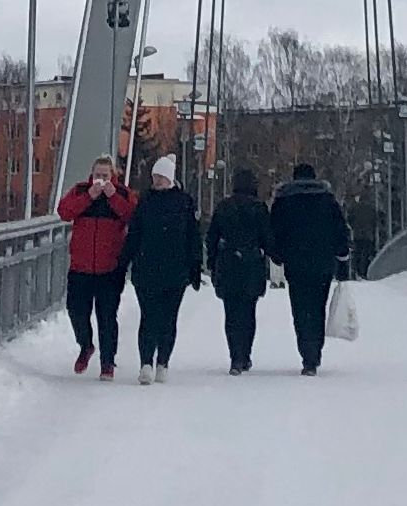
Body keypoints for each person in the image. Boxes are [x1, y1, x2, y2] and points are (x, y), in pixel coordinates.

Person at [267, 158, 351, 374]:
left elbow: (273, 231)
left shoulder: (284, 201)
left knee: (300, 308)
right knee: (317, 307)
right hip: (322, 263)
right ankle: (315, 353)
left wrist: (277, 256)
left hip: (295, 263)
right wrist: (342, 255)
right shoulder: (327, 200)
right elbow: (340, 229)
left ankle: (306, 352)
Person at [125, 152, 199, 381]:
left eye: (161, 177)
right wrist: (125, 261)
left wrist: (195, 267)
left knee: (168, 318)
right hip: (147, 268)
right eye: (155, 176)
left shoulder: (184, 202)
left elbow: (192, 237)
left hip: (175, 271)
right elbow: (135, 233)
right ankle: (146, 363)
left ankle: (163, 362)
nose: (157, 181)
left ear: (170, 178)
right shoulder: (146, 201)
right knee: (148, 316)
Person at [60, 157, 135, 378]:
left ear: (112, 176)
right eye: (97, 175)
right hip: (81, 266)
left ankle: (108, 362)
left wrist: (112, 197)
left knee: (107, 316)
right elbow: (64, 212)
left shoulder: (122, 194)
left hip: (110, 268)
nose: (101, 180)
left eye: (105, 175)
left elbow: (132, 215)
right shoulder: (81, 190)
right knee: (76, 311)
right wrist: (88, 197)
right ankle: (85, 345)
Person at [205, 166, 273, 372]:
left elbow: (212, 237)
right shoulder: (259, 208)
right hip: (252, 265)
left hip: (228, 264)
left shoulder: (224, 207)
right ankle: (245, 354)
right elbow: (267, 238)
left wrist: (212, 261)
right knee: (248, 312)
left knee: (231, 313)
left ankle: (235, 355)